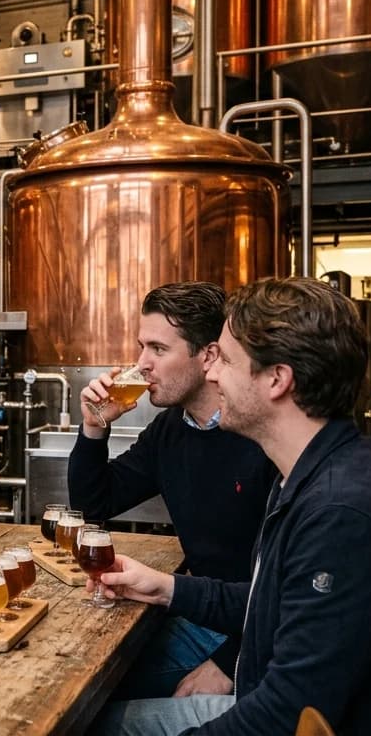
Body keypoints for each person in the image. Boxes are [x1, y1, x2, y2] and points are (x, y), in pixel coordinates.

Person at [92, 277, 371, 735]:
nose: (211, 373)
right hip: (267, 691)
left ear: (277, 380)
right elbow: (273, 602)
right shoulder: (311, 473)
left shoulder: (342, 512)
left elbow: (285, 716)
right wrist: (164, 588)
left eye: (224, 360)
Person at [68, 282, 277, 700]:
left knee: (93, 695)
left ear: (209, 356)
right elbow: (96, 504)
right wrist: (94, 427)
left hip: (254, 635)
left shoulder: (262, 438)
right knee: (75, 664)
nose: (141, 364)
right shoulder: (172, 429)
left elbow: (283, 593)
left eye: (158, 350)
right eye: (142, 346)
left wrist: (228, 663)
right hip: (203, 611)